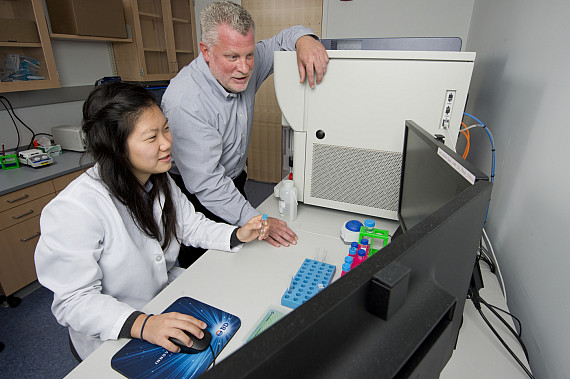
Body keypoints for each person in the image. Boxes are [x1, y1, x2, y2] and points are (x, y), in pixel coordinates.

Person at [34, 82, 268, 361]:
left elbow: (189, 225)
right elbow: (73, 302)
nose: (167, 142)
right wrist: (143, 324)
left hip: (161, 303)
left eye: (166, 129)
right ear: (115, 147)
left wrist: (237, 235)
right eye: (151, 137)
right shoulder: (75, 209)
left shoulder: (158, 179)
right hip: (114, 331)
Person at [162, 1, 329, 261]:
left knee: (244, 259)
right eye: (232, 57)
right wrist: (256, 219)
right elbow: (207, 183)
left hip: (235, 180)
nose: (244, 68)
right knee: (206, 268)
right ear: (206, 51)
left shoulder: (247, 61)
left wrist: (305, 39)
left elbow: (283, 39)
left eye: (249, 54)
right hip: (195, 197)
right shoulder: (185, 102)